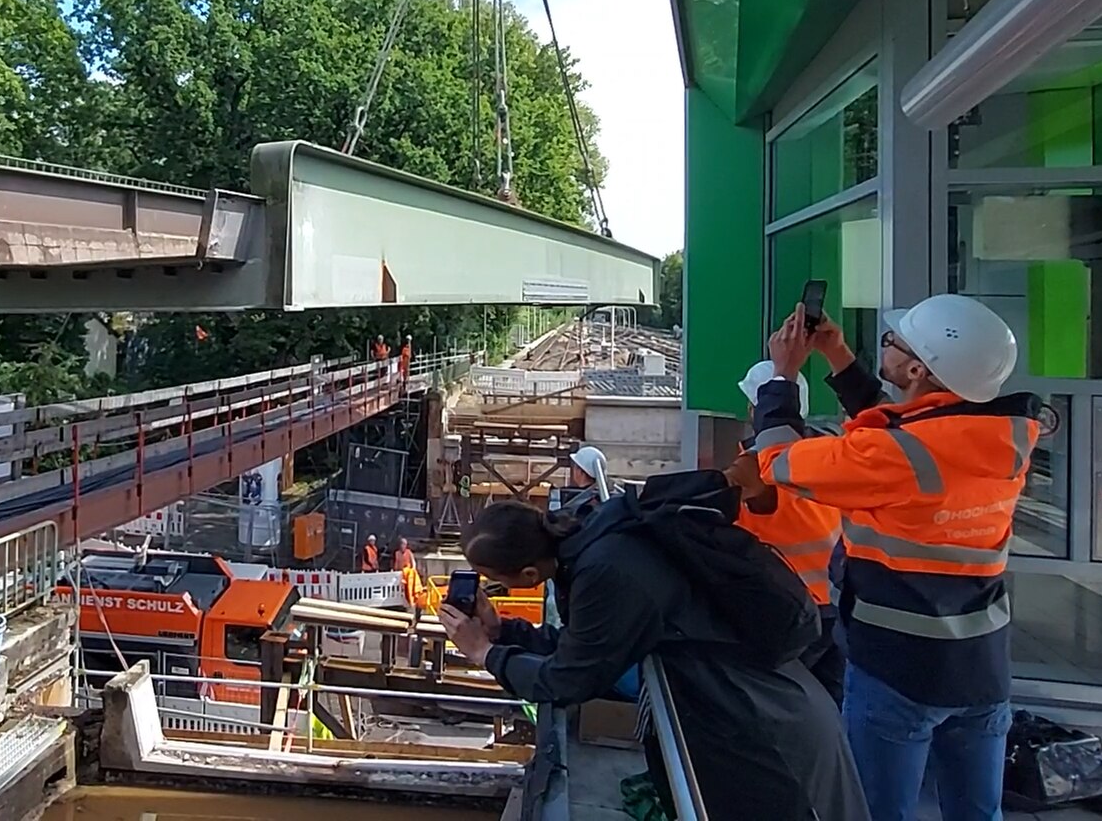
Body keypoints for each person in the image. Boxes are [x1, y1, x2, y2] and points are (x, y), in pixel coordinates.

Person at [734, 294, 1037, 821]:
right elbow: (907, 431)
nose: (886, 347)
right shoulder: (999, 438)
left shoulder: (898, 457)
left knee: (871, 811)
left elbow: (777, 460)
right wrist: (838, 356)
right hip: (981, 663)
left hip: (900, 667)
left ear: (919, 368)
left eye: (894, 343)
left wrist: (781, 378)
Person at [441, 499, 868, 821]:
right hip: (750, 705)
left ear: (529, 577)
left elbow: (570, 680)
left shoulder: (606, 571)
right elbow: (594, 646)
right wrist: (505, 634)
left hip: (765, 723)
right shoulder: (597, 541)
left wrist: (486, 654)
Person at [732, 359, 846, 707]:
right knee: (833, 705)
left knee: (781, 705)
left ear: (756, 407)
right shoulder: (830, 453)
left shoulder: (757, 468)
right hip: (835, 604)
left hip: (790, 608)